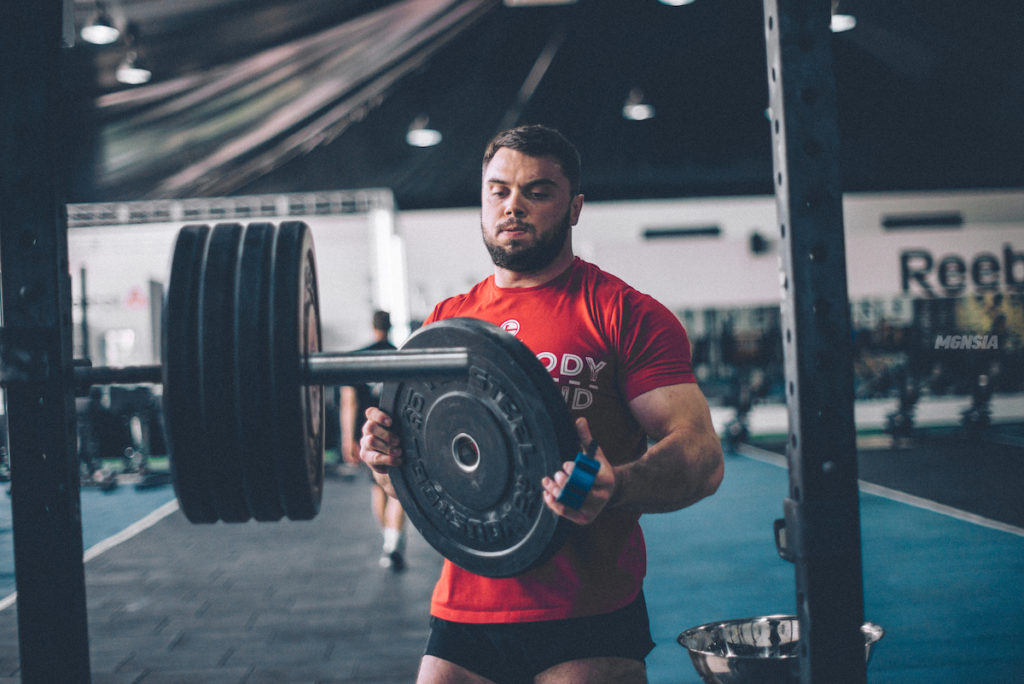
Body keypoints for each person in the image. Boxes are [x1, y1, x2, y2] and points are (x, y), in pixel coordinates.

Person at [359, 125, 724, 683]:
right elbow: (427, 487)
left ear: (574, 207)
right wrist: (389, 465)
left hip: (587, 612)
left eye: (537, 191)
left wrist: (617, 486)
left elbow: (700, 456)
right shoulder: (446, 322)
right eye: (498, 191)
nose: (513, 207)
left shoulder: (625, 314)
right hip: (464, 609)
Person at [341, 309, 408, 571]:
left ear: (372, 327)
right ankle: (393, 542)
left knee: (377, 489)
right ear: (390, 327)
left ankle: (389, 541)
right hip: (398, 432)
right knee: (398, 493)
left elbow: (349, 403)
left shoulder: (358, 358)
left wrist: (348, 439)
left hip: (367, 435)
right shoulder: (402, 355)